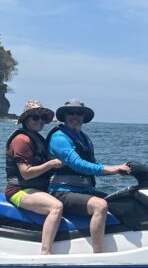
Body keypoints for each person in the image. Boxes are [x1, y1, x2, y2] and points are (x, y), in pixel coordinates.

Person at [46, 98, 130, 253]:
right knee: (100, 205)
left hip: (83, 190)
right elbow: (77, 163)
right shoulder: (59, 138)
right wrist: (109, 169)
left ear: (84, 117)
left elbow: (92, 163)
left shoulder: (83, 137)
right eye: (71, 113)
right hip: (62, 192)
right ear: (64, 116)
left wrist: (117, 169)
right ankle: (98, 254)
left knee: (122, 200)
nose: (75, 116)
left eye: (79, 113)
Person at [4, 100, 66, 254]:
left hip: (36, 188)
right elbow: (25, 172)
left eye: (42, 118)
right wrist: (50, 164)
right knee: (56, 207)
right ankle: (46, 253)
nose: (39, 121)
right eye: (35, 118)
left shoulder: (36, 138)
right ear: (26, 119)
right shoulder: (21, 140)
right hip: (19, 190)